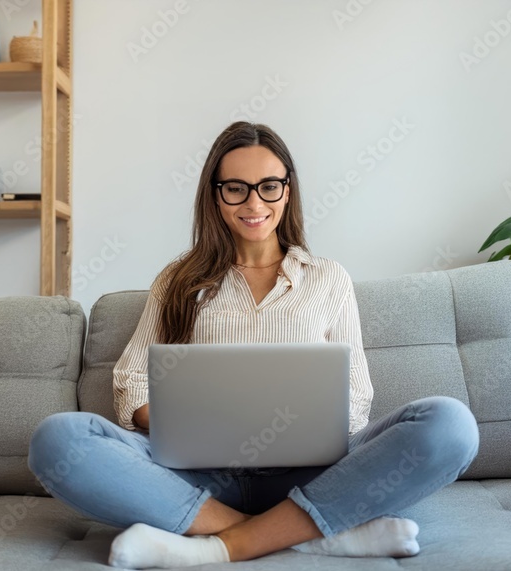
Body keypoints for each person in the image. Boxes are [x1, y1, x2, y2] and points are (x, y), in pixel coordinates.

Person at [28, 122, 480, 569]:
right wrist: (194, 426)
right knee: (59, 439)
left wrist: (303, 427)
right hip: (195, 477)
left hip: (310, 473)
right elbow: (131, 384)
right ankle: (298, 534)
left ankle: (220, 545)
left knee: (450, 424)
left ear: (288, 190)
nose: (253, 203)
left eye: (268, 187)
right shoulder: (178, 281)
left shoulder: (328, 279)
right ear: (214, 194)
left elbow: (356, 398)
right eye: (236, 189)